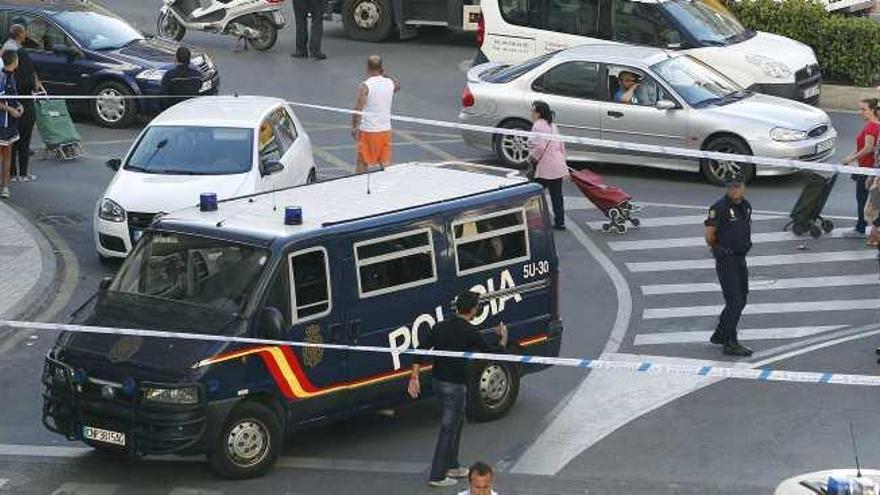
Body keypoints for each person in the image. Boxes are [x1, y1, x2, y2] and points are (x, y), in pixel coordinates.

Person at [407, 290, 508, 488]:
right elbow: (491, 351)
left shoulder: (440, 327)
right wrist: (503, 338)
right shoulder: (469, 332)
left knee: (457, 422)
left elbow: (420, 351)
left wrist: (414, 376)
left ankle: (452, 465)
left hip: (439, 382)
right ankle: (437, 475)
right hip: (455, 387)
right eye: (477, 307)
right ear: (472, 310)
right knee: (448, 428)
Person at [705, 173, 753, 357]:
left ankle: (720, 333)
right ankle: (730, 342)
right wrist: (718, 249)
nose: (734, 190)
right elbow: (709, 234)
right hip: (727, 260)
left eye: (737, 186)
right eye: (731, 186)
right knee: (735, 301)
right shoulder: (719, 207)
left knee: (742, 297)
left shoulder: (746, 206)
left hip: (740, 258)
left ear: (743, 186)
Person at [4, 24, 41, 184]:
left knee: (12, 142)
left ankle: (11, 173)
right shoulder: (20, 53)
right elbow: (27, 81)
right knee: (23, 142)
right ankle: (23, 173)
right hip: (23, 106)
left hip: (13, 107)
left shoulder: (8, 52)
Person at [352, 55, 400, 174]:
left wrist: (354, 127)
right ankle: (386, 185)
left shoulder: (365, 86)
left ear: (368, 68)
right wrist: (387, 75)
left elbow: (358, 108)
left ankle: (358, 184)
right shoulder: (389, 83)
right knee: (384, 162)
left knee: (362, 160)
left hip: (369, 130)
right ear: (381, 67)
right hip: (385, 129)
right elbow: (397, 86)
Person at [842, 98, 880, 239]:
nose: (860, 112)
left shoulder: (871, 127)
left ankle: (860, 227)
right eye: (860, 109)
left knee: (861, 198)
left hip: (866, 169)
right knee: (873, 200)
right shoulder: (878, 125)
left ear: (872, 110)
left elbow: (868, 148)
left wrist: (850, 159)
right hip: (872, 167)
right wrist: (852, 156)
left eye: (863, 109)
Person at [528, 100, 568, 230]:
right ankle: (560, 222)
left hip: (546, 167)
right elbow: (562, 146)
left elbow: (539, 147)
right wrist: (564, 164)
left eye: (533, 111)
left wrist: (531, 158)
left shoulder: (537, 126)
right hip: (557, 165)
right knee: (557, 196)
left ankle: (532, 221)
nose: (531, 113)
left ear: (539, 113)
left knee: (533, 194)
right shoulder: (553, 126)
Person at [0, 50, 22, 200]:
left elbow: (13, 97)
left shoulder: (13, 76)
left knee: (8, 154)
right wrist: (10, 110)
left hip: (11, 124)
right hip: (2, 123)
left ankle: (5, 187)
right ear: (14, 61)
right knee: (2, 154)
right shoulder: (1, 77)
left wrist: (19, 105)